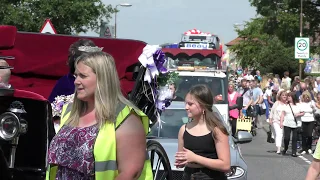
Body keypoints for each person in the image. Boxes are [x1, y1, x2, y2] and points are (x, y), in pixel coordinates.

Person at [46, 52, 152, 179]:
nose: (76, 81)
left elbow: (130, 172)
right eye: (76, 76)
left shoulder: (126, 119)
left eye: (83, 76)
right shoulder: (69, 112)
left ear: (103, 79)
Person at [175, 84, 230, 180]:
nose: (186, 107)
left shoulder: (217, 130)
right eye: (186, 103)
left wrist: (195, 158)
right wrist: (181, 162)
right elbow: (182, 159)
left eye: (190, 104)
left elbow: (225, 165)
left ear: (203, 105)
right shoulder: (184, 130)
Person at [48, 39, 97, 103]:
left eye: (83, 76)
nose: (77, 82)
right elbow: (51, 106)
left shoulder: (102, 81)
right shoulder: (64, 82)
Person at [281, 91, 304, 157]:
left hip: (296, 124)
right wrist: (281, 122)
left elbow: (303, 112)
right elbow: (283, 114)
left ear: (293, 97)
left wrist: (298, 114)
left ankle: (294, 152)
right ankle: (285, 148)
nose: (288, 98)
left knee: (295, 138)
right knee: (286, 138)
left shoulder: (298, 105)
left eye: (289, 96)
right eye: (288, 96)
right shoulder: (286, 105)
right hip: (287, 123)